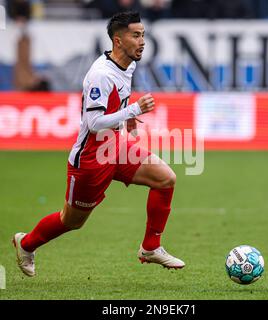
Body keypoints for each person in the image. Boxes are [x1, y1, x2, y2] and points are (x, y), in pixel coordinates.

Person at [12, 11, 185, 277]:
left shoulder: (129, 64)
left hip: (114, 145)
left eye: (143, 35)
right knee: (71, 221)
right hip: (91, 160)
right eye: (136, 36)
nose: (142, 42)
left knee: (165, 179)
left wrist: (126, 118)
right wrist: (134, 110)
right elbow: (93, 123)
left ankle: (151, 247)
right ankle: (26, 243)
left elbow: (117, 101)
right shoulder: (100, 75)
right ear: (118, 40)